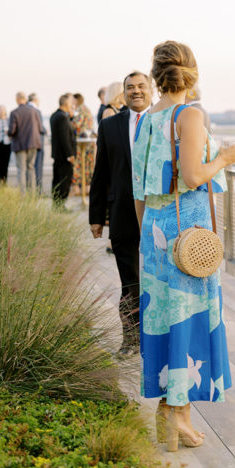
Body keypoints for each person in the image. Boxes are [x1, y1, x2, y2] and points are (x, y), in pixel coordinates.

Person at [132, 40, 235, 451]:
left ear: (157, 75)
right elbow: (194, 175)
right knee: (189, 319)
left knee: (164, 321)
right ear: (192, 73)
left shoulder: (146, 120)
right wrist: (227, 157)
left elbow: (139, 191)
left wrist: (151, 237)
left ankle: (173, 413)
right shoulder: (189, 115)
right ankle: (176, 414)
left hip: (155, 235)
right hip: (188, 238)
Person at [89, 71, 153, 356]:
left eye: (141, 86)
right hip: (122, 214)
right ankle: (131, 340)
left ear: (151, 89)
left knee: (157, 280)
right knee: (130, 280)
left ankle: (156, 340)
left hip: (157, 213)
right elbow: (100, 171)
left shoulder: (164, 121)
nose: (136, 91)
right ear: (123, 93)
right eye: (130, 87)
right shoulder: (110, 126)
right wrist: (96, 216)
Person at [8, 92, 43, 192]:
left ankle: (23, 195)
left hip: (20, 145)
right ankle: (32, 194)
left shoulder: (14, 112)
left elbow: (12, 131)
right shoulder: (34, 111)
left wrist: (8, 133)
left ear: (17, 99)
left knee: (21, 170)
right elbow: (41, 128)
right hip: (33, 144)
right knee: (31, 168)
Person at [50, 94, 76, 208]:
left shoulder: (55, 115)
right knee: (64, 181)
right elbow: (64, 138)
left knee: (57, 180)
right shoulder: (62, 117)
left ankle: (57, 205)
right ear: (66, 104)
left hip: (58, 154)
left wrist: (70, 117)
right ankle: (60, 206)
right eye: (71, 102)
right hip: (64, 155)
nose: (73, 104)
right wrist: (70, 154)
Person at [71, 93, 95, 196]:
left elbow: (76, 124)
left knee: (79, 164)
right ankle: (87, 188)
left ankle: (79, 189)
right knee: (88, 165)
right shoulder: (86, 109)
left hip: (82, 142)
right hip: (89, 140)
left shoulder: (79, 110)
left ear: (76, 100)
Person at [28, 93, 47, 193]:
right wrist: (45, 130)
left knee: (29, 168)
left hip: (27, 144)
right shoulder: (36, 111)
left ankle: (30, 189)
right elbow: (40, 128)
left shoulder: (25, 109)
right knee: (38, 168)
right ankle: (38, 190)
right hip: (38, 143)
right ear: (35, 100)